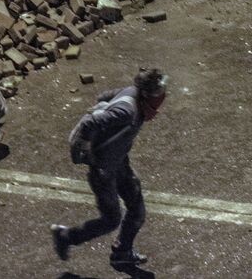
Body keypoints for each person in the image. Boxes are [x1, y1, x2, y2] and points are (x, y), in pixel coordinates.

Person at [53, 68, 167, 270]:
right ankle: (66, 236)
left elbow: (103, 97)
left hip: (119, 161)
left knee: (137, 210)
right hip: (103, 171)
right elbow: (89, 123)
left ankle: (122, 253)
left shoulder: (132, 92)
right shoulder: (127, 111)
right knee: (111, 220)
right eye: (158, 98)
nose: (160, 104)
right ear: (147, 96)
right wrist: (90, 152)